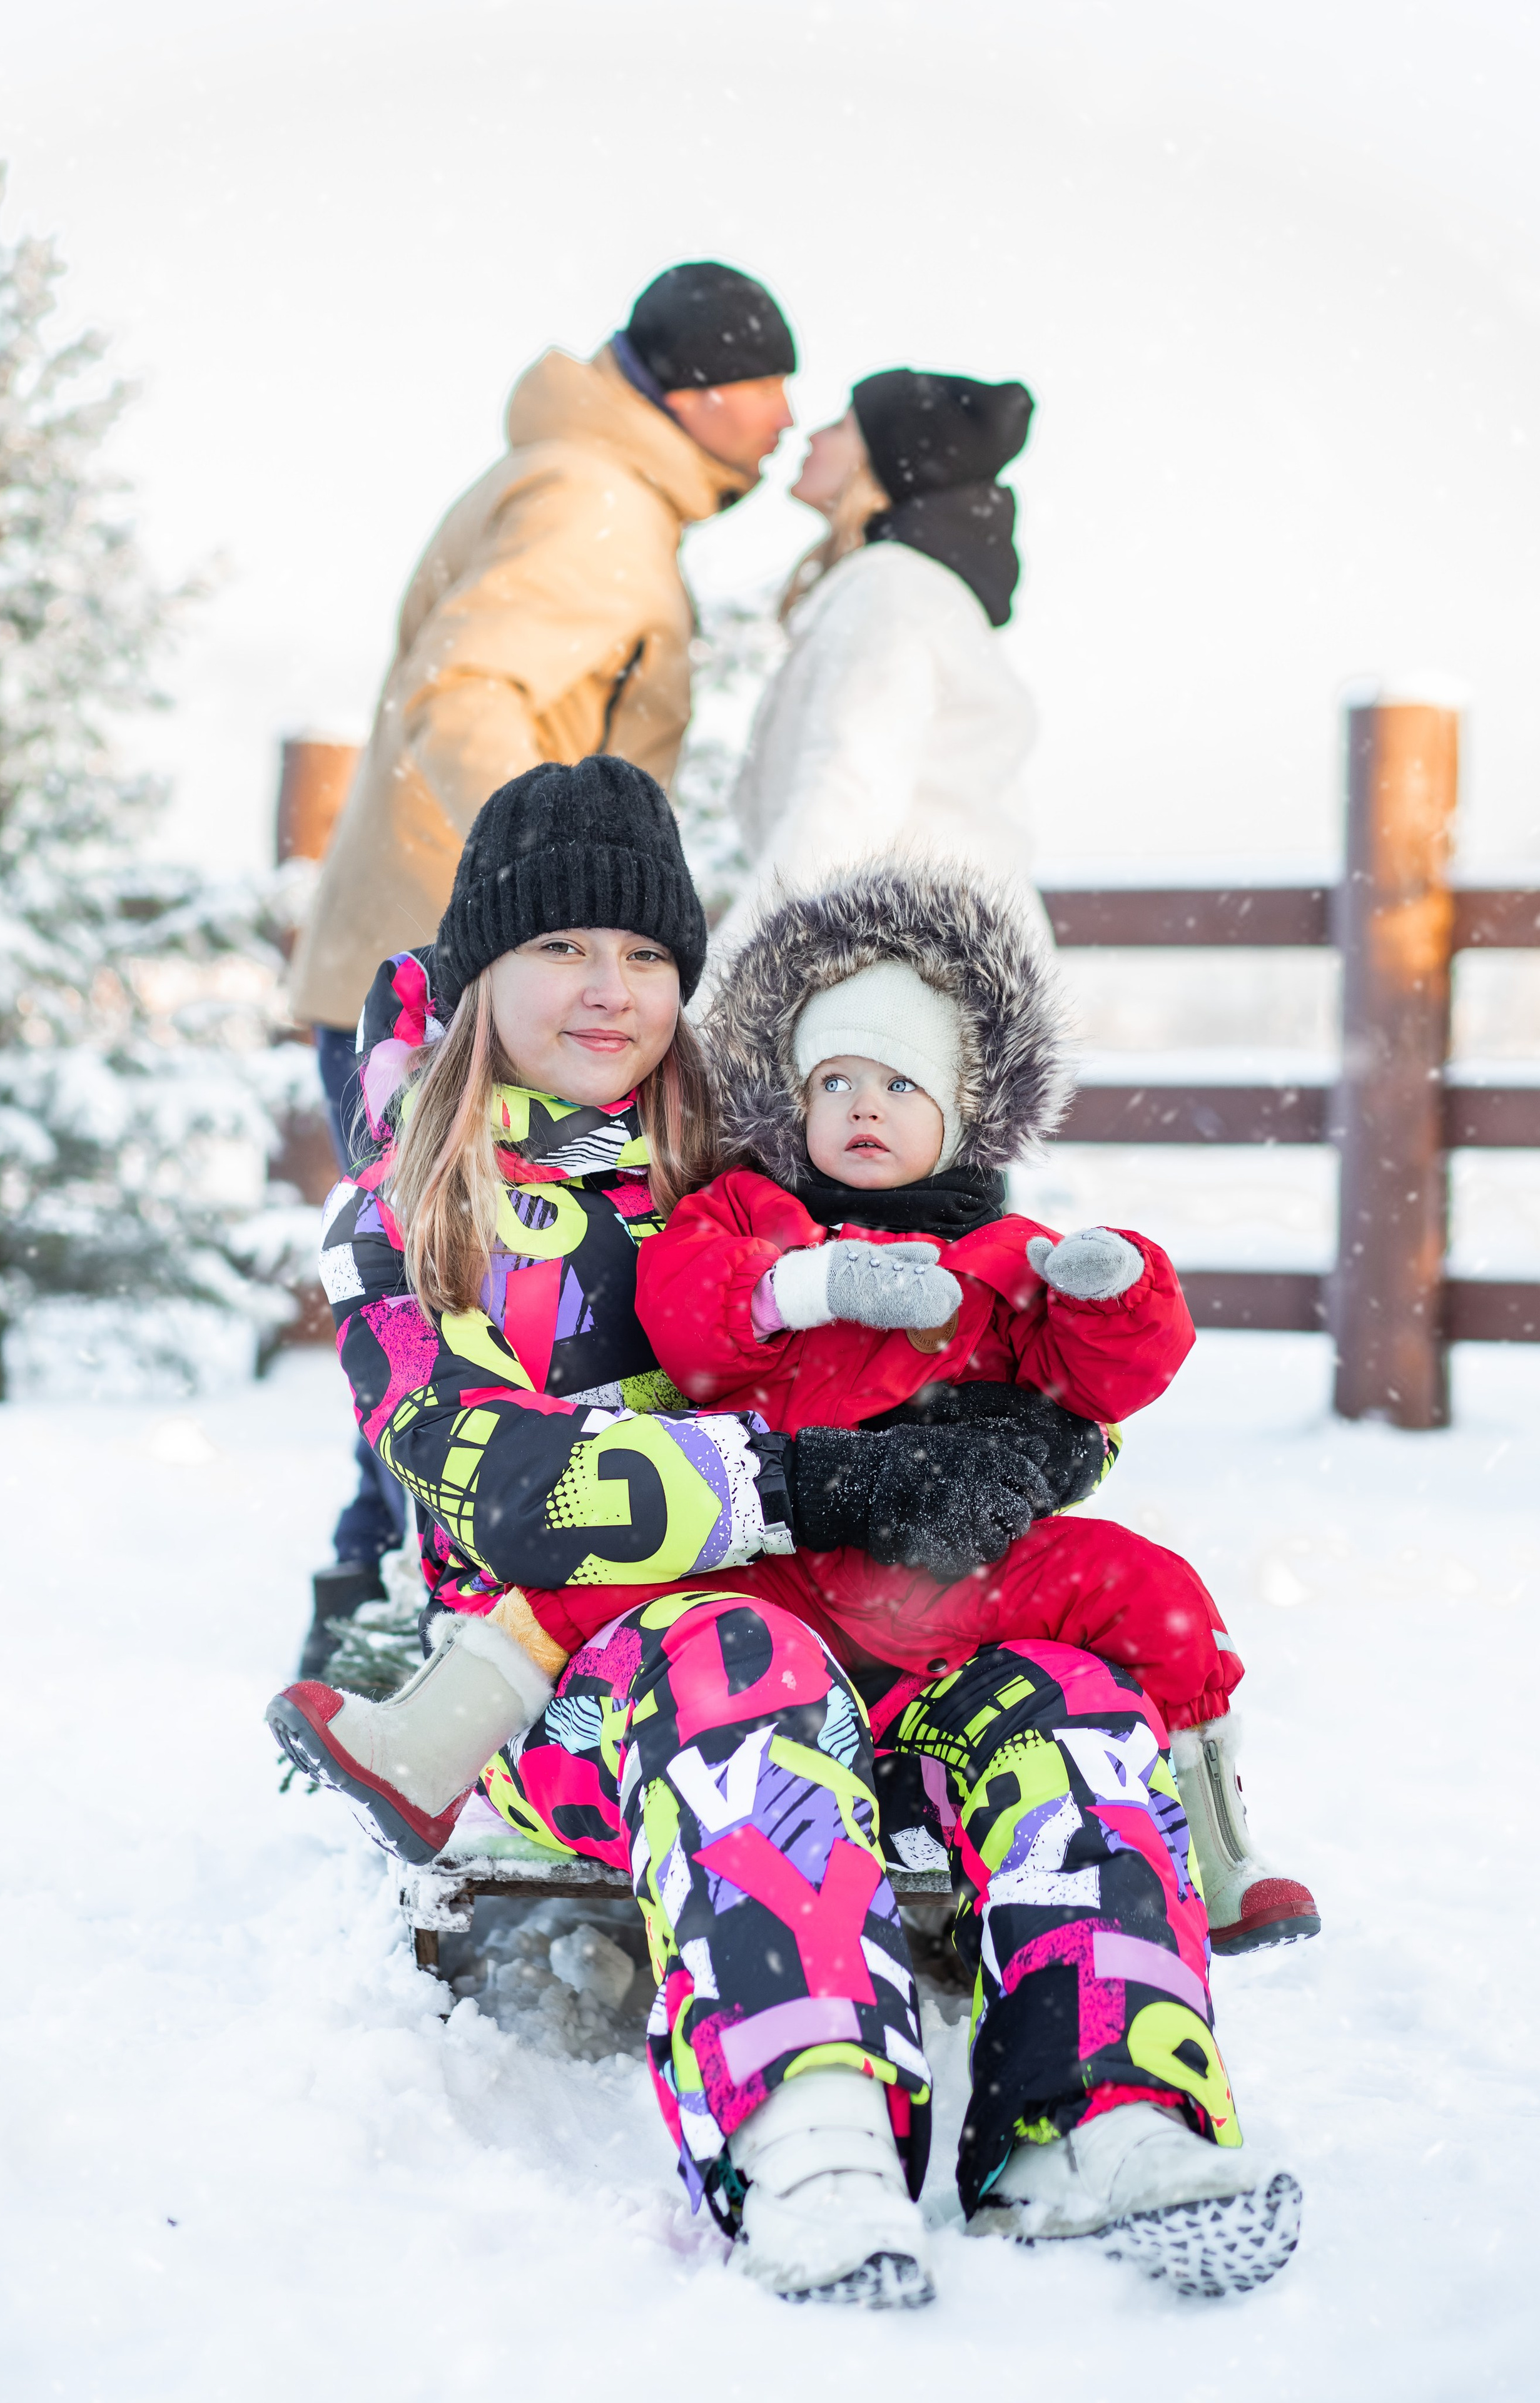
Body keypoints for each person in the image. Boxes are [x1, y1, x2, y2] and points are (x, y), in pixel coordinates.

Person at [269, 760, 1302, 2305]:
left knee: (1061, 1686)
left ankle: (1099, 2111)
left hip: (876, 1637)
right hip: (578, 1690)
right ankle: (807, 2133)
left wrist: (1023, 1443)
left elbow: (963, 1335)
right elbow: (494, 1477)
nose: (606, 987)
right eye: (559, 947)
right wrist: (812, 1484)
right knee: (731, 1652)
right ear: (484, 966)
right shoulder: (419, 1207)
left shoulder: (764, 1147)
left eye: (642, 954)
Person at [639, 858, 1320, 1954]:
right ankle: (443, 1736)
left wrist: (1116, 1292)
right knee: (611, 1576)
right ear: (789, 1096)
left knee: (1157, 1594)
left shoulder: (1004, 1258)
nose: (865, 1105)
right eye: (835, 1082)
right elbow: (682, 1312)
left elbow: (1095, 1386)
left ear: (965, 1113)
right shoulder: (749, 1211)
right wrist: (803, 1285)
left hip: (955, 1575)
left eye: (902, 1086)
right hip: (774, 1557)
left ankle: (1220, 1853)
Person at [286, 262, 797, 1667]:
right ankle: (391, 1630)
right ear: (696, 392)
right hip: (459, 1002)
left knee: (474, 1310)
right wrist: (539, 906)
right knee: (451, 1307)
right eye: (768, 381)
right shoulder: (597, 504)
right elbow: (465, 696)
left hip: (487, 985)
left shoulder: (581, 478)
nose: (786, 414)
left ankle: (387, 1605)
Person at [712, 368, 1039, 965]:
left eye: (840, 425)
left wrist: (727, 987)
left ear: (881, 468)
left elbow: (845, 800)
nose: (811, 435)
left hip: (913, 985)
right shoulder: (902, 590)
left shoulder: (892, 597)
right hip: (928, 964)